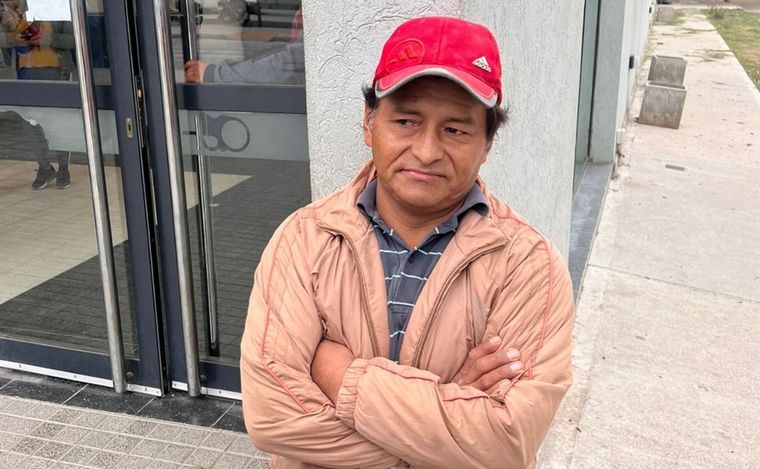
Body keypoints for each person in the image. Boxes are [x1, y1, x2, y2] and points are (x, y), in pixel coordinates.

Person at [240, 16, 574, 469]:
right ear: (368, 122)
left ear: (487, 144)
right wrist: (448, 419)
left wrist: (340, 375)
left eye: (455, 130)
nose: (427, 151)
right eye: (406, 121)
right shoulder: (305, 239)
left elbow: (506, 444)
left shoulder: (528, 265)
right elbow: (273, 419)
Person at [0, 0, 74, 189]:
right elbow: (2, 39)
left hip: (56, 73)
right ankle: (44, 167)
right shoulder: (13, 10)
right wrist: (11, 38)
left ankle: (63, 168)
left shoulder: (58, 8)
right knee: (29, 125)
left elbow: (73, 40)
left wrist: (47, 39)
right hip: (25, 76)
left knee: (58, 124)